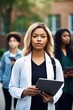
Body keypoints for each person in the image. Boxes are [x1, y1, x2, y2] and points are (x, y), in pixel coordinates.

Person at [9, 22, 64, 110]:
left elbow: (60, 87)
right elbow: (12, 87)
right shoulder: (20, 62)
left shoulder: (55, 63)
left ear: (47, 40)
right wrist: (24, 91)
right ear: (30, 39)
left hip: (46, 106)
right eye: (35, 36)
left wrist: (52, 98)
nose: (39, 39)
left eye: (43, 36)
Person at [0, 32, 22, 110]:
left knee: (17, 105)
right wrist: (2, 79)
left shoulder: (22, 55)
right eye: (10, 41)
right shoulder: (5, 55)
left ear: (18, 42)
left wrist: (16, 64)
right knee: (7, 105)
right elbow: (1, 68)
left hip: (18, 85)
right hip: (6, 84)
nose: (12, 43)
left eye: (14, 41)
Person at [54, 28, 73, 110]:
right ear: (59, 37)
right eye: (65, 36)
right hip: (61, 86)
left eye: (68, 36)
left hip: (71, 84)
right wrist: (60, 73)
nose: (67, 38)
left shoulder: (71, 51)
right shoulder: (54, 52)